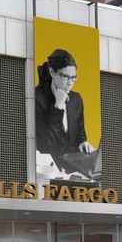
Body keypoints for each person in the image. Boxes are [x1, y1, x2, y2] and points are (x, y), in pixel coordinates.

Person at [34, 48, 95, 177]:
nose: (70, 83)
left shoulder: (76, 99)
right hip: (46, 169)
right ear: (52, 72)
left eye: (73, 78)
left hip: (71, 168)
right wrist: (58, 106)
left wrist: (83, 143)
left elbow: (80, 133)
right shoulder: (37, 97)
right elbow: (48, 144)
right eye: (65, 77)